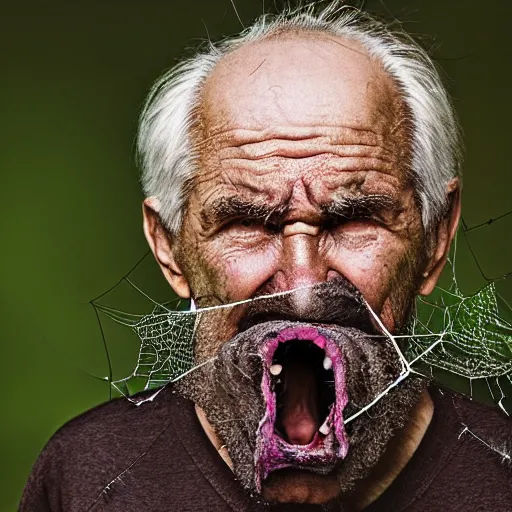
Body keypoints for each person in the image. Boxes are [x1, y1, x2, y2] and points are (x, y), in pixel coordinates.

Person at [20, 2, 511, 511]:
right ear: (168, 245)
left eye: (353, 220)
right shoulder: (83, 478)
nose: (302, 290)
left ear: (434, 238)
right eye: (249, 223)